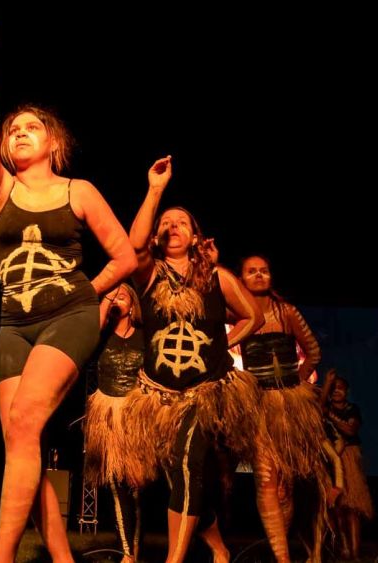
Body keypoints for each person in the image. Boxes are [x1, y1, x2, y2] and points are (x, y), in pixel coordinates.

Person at [0, 8, 136, 562]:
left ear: (52, 142)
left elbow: (126, 255)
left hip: (69, 315)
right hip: (12, 323)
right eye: (16, 128)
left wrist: (86, 293)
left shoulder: (78, 190)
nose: (17, 133)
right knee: (20, 438)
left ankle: (1, 557)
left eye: (30, 127)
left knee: (25, 420)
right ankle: (60, 554)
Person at [124, 156, 263, 563]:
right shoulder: (147, 273)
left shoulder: (216, 278)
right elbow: (133, 245)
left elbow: (253, 316)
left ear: (197, 235)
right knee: (180, 478)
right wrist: (155, 190)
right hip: (157, 395)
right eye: (165, 222)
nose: (172, 227)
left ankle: (174, 560)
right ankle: (219, 548)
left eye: (181, 222)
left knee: (189, 466)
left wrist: (224, 344)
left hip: (202, 393)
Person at [238, 254, 329, 562]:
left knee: (284, 488)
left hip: (289, 406)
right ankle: (283, 558)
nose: (259, 275)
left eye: (264, 270)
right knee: (265, 478)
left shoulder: (286, 312)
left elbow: (313, 351)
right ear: (242, 279)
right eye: (251, 272)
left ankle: (286, 543)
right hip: (259, 406)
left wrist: (298, 383)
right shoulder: (238, 314)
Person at [83, 283, 150, 563]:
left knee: (139, 488)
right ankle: (127, 554)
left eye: (123, 294)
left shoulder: (146, 337)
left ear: (133, 304)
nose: (117, 297)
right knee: (117, 483)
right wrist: (108, 299)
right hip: (109, 415)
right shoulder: (98, 336)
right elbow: (91, 327)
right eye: (112, 295)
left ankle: (139, 548)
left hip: (139, 416)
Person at [321, 369, 374, 560]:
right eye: (333, 389)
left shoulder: (352, 409)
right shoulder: (323, 408)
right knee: (336, 508)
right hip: (330, 460)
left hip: (349, 458)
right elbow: (319, 406)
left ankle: (355, 552)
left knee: (352, 507)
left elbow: (350, 430)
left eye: (340, 388)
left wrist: (331, 416)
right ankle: (343, 547)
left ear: (347, 391)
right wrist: (326, 383)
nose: (336, 391)